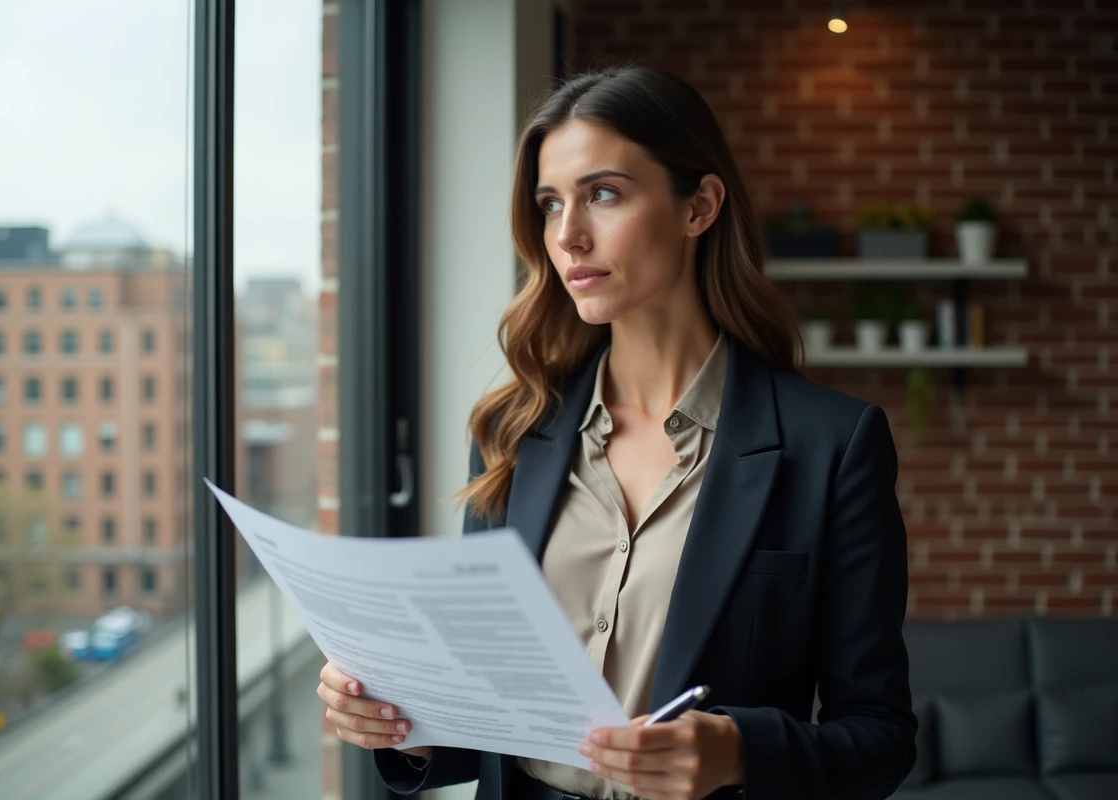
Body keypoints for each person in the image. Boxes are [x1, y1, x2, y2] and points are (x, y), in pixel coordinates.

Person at [317, 64, 917, 800]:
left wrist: (738, 751)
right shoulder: (514, 429)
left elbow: (880, 738)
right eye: (549, 203)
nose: (567, 235)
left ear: (699, 207)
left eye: (603, 194)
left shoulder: (834, 445)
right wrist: (400, 723)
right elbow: (493, 721)